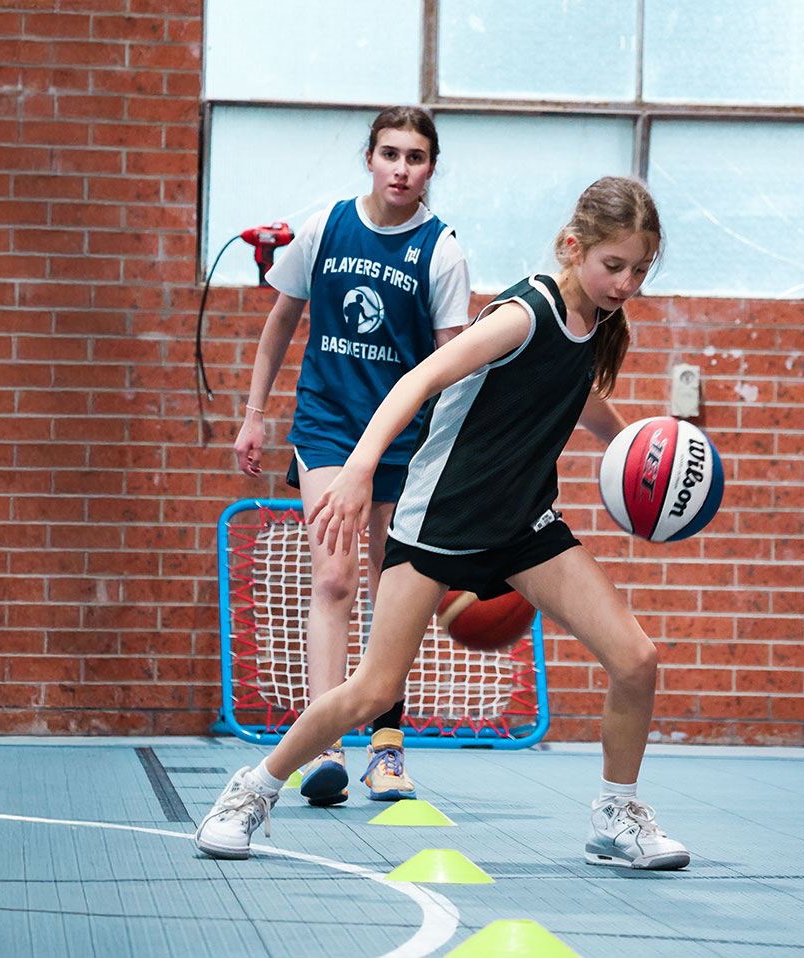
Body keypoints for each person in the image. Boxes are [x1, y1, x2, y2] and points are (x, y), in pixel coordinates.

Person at [199, 176, 690, 871]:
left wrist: (637, 451)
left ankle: (616, 815)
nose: (627, 282)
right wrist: (362, 469)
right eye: (616, 266)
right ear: (573, 247)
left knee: (636, 660)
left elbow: (583, 402)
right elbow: (417, 381)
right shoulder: (524, 315)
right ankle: (253, 791)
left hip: (523, 523)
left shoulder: (600, 323)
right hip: (440, 520)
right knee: (371, 691)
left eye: (640, 270)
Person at [234, 106, 472, 806]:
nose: (402, 168)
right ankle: (321, 748)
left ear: (431, 167)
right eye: (390, 153)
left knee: (394, 590)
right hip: (330, 426)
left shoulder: (442, 250)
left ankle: (387, 748)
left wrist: (458, 455)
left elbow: (455, 365)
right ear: (369, 157)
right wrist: (254, 416)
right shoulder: (326, 226)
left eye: (416, 157)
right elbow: (281, 322)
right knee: (335, 578)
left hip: (406, 436)